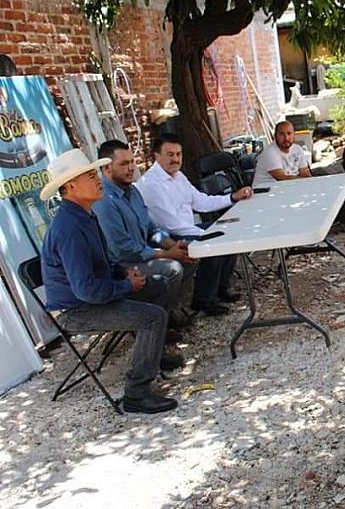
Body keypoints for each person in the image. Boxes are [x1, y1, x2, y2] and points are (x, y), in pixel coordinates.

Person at [40, 149, 181, 414]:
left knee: (159, 284)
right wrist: (126, 286)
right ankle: (137, 394)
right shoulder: (70, 228)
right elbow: (86, 291)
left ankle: (152, 355)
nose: (97, 180)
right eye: (90, 176)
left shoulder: (85, 215)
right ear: (71, 186)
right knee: (153, 318)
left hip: (93, 296)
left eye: (95, 174)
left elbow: (103, 261)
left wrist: (125, 275)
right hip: (77, 310)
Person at [137, 133, 254, 316]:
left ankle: (221, 288)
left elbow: (201, 201)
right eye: (170, 154)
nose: (176, 159)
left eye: (178, 154)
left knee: (228, 232)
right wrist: (206, 235)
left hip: (186, 229)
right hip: (167, 237)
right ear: (156, 156)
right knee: (213, 243)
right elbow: (171, 224)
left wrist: (232, 197)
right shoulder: (152, 185)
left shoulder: (178, 176)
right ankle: (204, 300)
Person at [92, 140, 196, 338]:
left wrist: (173, 245)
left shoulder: (132, 191)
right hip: (122, 267)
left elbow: (151, 229)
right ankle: (154, 326)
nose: (131, 168)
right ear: (106, 168)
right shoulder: (104, 201)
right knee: (172, 269)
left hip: (143, 255)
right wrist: (167, 254)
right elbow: (122, 249)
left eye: (132, 162)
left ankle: (167, 312)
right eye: (124, 164)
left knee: (190, 254)